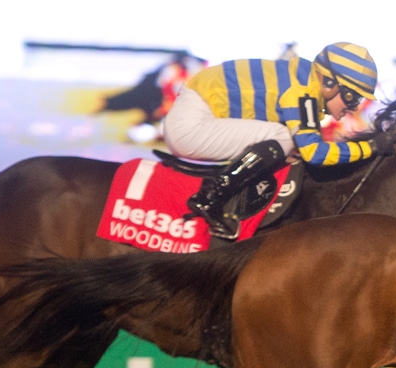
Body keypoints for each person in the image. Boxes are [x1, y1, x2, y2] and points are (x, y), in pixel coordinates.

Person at [161, 42, 381, 238]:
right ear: (330, 83)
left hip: (194, 115)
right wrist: (372, 147)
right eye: (353, 98)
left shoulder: (302, 82)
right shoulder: (301, 92)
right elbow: (315, 154)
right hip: (189, 125)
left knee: (286, 141)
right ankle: (209, 200)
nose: (353, 108)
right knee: (283, 137)